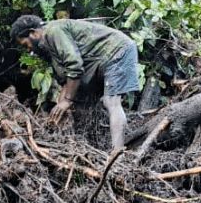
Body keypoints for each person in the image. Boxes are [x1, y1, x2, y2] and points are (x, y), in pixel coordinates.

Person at [11, 15, 140, 151]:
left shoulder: (54, 31)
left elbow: (74, 66)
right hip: (101, 59)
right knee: (81, 103)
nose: (27, 49)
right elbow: (66, 80)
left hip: (118, 51)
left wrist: (67, 100)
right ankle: (87, 147)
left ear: (33, 33)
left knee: (111, 101)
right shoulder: (46, 45)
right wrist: (58, 109)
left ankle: (117, 153)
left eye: (25, 44)